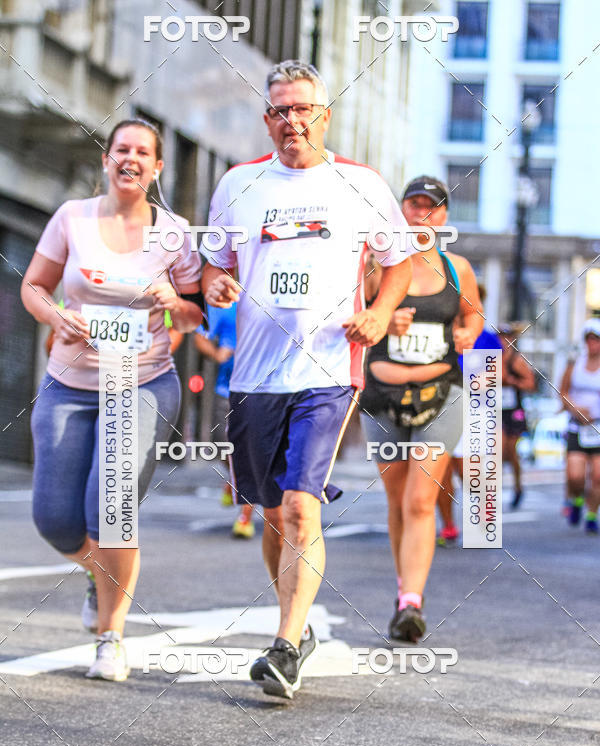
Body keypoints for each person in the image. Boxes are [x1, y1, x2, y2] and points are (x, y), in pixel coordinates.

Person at [200, 60, 414, 699]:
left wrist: (377, 311)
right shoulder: (239, 185)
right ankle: (293, 626)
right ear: (268, 119)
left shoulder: (360, 185)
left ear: (325, 115)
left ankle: (287, 645)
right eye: (281, 110)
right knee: (272, 513)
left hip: (327, 370)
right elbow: (215, 270)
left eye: (304, 110)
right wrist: (215, 286)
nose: (293, 120)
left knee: (300, 505)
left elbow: (397, 261)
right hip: (254, 377)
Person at [21, 118, 204, 681]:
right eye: (121, 149)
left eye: (142, 152)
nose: (130, 159)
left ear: (157, 167)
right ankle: (100, 577)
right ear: (107, 159)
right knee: (54, 520)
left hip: (143, 383)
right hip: (68, 386)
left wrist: (173, 298)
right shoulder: (72, 217)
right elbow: (33, 286)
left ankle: (111, 635)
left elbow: (198, 317)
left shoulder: (173, 233)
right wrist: (57, 316)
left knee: (113, 513)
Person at [361, 176, 483, 643]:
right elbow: (353, 312)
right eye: (413, 206)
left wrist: (469, 332)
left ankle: (412, 602)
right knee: (396, 501)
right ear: (400, 213)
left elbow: (473, 313)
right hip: (382, 397)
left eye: (431, 208)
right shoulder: (377, 265)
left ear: (443, 217)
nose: (421, 216)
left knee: (420, 499)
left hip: (440, 394)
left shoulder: (458, 269)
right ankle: (402, 587)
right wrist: (384, 318)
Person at [436, 284, 503, 544]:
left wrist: (475, 382)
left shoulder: (487, 338)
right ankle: (448, 525)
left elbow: (495, 376)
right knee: (439, 473)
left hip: (474, 413)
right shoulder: (441, 333)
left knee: (467, 471)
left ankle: (484, 507)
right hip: (439, 410)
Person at [194, 306, 255, 538]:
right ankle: (233, 477)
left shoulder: (268, 299)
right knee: (223, 445)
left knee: (249, 454)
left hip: (261, 390)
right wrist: (216, 353)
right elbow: (199, 338)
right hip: (226, 389)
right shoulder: (225, 305)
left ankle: (244, 518)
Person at [559, 318, 600, 533]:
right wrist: (575, 409)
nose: (593, 344)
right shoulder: (575, 364)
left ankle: (592, 515)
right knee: (575, 476)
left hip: (598, 427)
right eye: (589, 339)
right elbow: (563, 391)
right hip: (577, 426)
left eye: (597, 340)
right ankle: (575, 499)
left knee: (597, 476)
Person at [499, 323, 536, 508]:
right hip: (494, 409)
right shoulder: (489, 358)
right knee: (498, 448)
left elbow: (531, 384)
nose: (503, 341)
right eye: (500, 337)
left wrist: (510, 381)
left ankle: (518, 486)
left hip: (513, 410)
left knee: (510, 450)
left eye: (507, 337)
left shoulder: (517, 360)